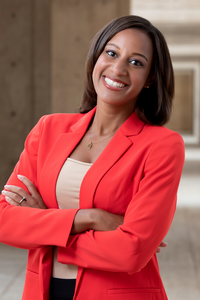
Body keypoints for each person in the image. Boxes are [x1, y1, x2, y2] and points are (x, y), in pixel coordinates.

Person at [0, 15, 184, 300]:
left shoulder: (162, 146)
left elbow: (132, 252)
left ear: (150, 79)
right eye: (111, 53)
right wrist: (91, 218)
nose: (118, 68)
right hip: (42, 290)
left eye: (136, 62)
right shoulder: (48, 129)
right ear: (96, 58)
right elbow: (4, 220)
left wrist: (44, 227)